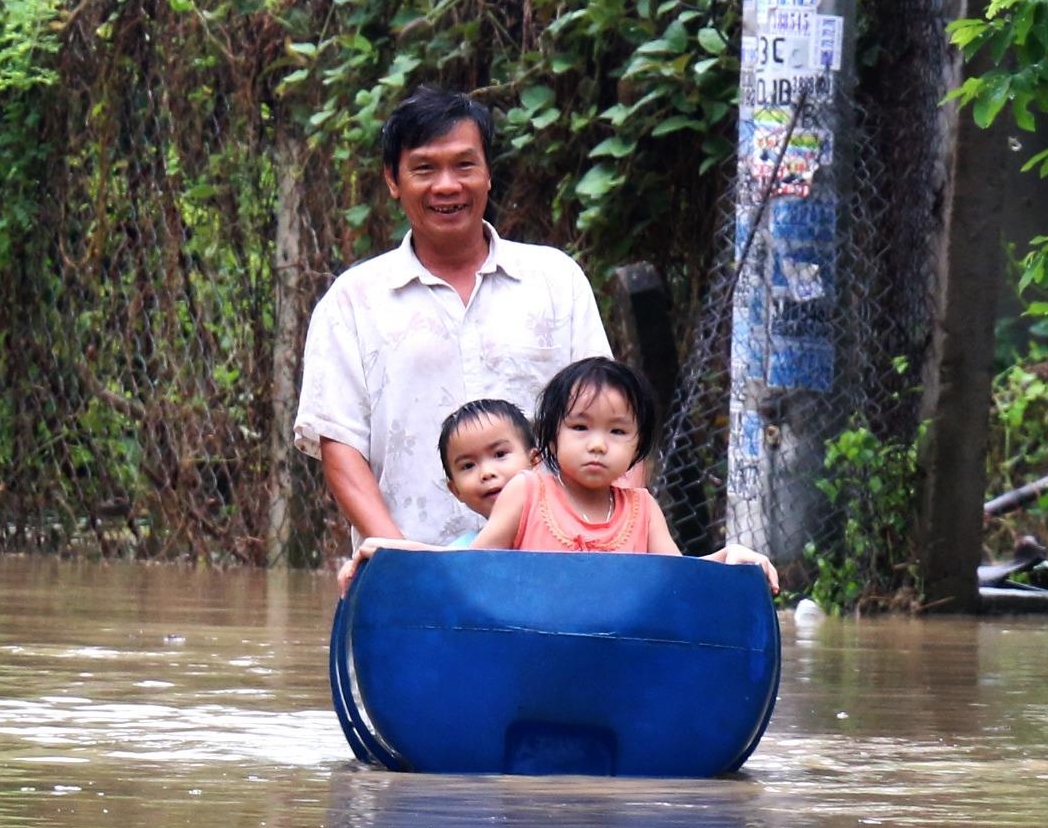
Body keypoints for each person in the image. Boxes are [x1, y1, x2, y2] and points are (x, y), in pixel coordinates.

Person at [294, 86, 612, 549]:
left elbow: (609, 419)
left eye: (464, 165)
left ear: (488, 174)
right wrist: (405, 562)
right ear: (393, 180)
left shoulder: (556, 281)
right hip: (413, 566)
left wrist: (605, 545)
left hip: (553, 567)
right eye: (424, 168)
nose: (447, 185)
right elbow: (340, 448)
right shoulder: (351, 302)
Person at [344, 358, 779, 593]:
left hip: (611, 660)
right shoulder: (527, 490)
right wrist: (394, 551)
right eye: (580, 427)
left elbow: (679, 577)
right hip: (526, 653)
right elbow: (467, 566)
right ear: (550, 438)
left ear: (637, 448)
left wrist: (729, 558)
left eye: (617, 432)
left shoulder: (643, 509)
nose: (597, 444)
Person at [437, 398, 539, 545]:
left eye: (500, 454)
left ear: (534, 461)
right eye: (468, 466)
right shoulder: (461, 552)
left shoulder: (567, 531)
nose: (486, 473)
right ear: (456, 490)